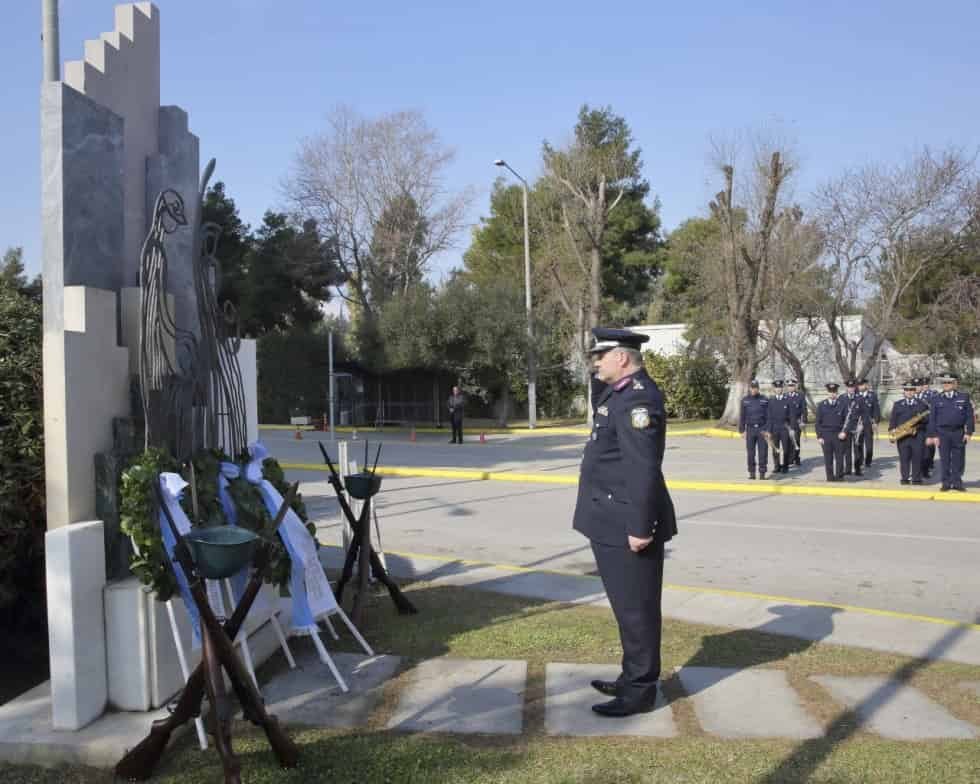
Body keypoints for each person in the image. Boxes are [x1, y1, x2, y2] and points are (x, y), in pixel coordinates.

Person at [573, 327, 677, 718]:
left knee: (637, 608)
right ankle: (630, 674)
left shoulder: (639, 400)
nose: (595, 362)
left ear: (622, 357)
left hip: (626, 520)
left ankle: (640, 690)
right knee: (625, 606)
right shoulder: (617, 394)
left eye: (601, 355)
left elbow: (643, 468)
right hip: (609, 517)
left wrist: (640, 526)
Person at [926, 373, 974, 492]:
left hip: (958, 432)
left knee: (958, 459)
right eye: (944, 382)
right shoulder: (936, 398)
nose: (946, 385)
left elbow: (969, 416)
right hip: (942, 433)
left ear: (954, 383)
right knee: (945, 459)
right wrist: (934, 435)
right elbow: (932, 419)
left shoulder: (963, 397)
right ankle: (946, 483)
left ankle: (957, 482)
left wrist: (969, 432)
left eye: (949, 382)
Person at [888, 380, 929, 485]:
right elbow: (893, 420)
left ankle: (916, 478)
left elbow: (927, 421)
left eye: (911, 390)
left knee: (917, 457)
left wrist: (918, 427)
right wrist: (892, 430)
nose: (909, 392)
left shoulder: (922, 404)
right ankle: (905, 478)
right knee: (904, 458)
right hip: (902, 436)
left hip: (917, 436)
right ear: (904, 392)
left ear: (915, 391)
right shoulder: (898, 404)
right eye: (907, 390)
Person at [815, 382, 848, 481]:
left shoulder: (842, 404)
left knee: (839, 457)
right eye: (830, 392)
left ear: (837, 393)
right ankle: (830, 477)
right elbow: (817, 423)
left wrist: (845, 432)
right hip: (826, 435)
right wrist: (819, 436)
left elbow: (847, 420)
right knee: (828, 458)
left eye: (834, 392)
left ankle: (839, 477)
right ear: (827, 393)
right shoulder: (821, 405)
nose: (832, 394)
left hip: (839, 434)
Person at [738, 380, 769, 480]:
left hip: (762, 429)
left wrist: (768, 430)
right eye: (752, 387)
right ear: (749, 388)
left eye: (755, 387)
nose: (754, 389)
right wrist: (742, 430)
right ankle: (752, 473)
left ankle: (762, 473)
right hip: (750, 429)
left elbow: (769, 417)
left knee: (763, 452)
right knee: (751, 453)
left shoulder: (764, 400)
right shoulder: (745, 400)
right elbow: (742, 416)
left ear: (758, 388)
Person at [766, 380, 797, 474]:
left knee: (786, 448)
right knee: (775, 448)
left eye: (780, 387)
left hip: (784, 428)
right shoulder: (771, 400)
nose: (778, 389)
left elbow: (792, 415)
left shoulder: (788, 400)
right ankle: (777, 466)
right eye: (776, 388)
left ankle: (785, 466)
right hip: (774, 428)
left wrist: (792, 428)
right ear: (774, 389)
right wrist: (769, 430)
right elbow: (769, 416)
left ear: (782, 388)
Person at [841, 379, 869, 476]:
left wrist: (862, 426)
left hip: (857, 428)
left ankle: (858, 469)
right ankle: (848, 469)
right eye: (849, 387)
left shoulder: (860, 398)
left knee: (857, 449)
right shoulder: (842, 398)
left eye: (852, 387)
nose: (851, 389)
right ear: (846, 388)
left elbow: (865, 414)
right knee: (847, 449)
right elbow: (840, 415)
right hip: (846, 428)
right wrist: (841, 429)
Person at [857, 378, 881, 466]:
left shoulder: (872, 395)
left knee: (869, 444)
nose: (860, 387)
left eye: (862, 385)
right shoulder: (856, 396)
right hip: (858, 424)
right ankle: (860, 460)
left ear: (866, 385)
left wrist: (876, 422)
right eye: (859, 385)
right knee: (858, 443)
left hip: (869, 423)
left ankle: (868, 461)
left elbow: (876, 410)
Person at [917, 377, 937, 478]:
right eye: (922, 385)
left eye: (925, 384)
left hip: (928, 423)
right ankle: (920, 468)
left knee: (929, 447)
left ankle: (929, 463)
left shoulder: (932, 394)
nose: (924, 386)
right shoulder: (914, 395)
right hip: (917, 425)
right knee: (919, 448)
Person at [786, 378, 806, 466]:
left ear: (795, 386)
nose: (791, 387)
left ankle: (796, 458)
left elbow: (804, 409)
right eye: (789, 386)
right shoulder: (785, 396)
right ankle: (790, 459)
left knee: (796, 440)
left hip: (797, 422)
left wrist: (803, 421)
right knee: (788, 441)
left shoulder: (800, 396)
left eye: (792, 386)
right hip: (787, 422)